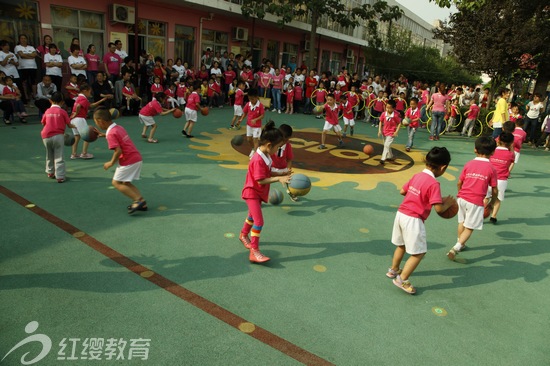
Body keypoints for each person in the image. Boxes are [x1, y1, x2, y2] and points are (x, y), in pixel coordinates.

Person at [387, 147, 455, 294]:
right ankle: (401, 279)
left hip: (401, 214)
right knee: (419, 253)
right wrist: (448, 204)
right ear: (443, 167)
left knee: (401, 245)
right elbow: (438, 209)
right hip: (413, 219)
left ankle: (393, 270)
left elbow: (402, 191)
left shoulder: (417, 175)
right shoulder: (434, 183)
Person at [238, 121, 291, 263]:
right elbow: (261, 179)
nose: (277, 151)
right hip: (252, 192)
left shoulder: (265, 155)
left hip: (258, 192)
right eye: (277, 147)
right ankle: (254, 251)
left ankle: (243, 234)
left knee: (251, 216)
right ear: (269, 145)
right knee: (259, 221)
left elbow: (269, 171)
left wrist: (283, 172)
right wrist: (279, 178)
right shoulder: (257, 159)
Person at [447, 136, 498, 260]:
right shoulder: (491, 168)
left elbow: (459, 182)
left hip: (462, 198)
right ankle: (457, 247)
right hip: (476, 201)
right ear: (493, 152)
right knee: (470, 227)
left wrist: (460, 194)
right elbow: (495, 189)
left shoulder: (469, 164)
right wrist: (492, 202)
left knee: (461, 222)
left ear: (475, 150)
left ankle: (460, 241)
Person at [93, 107, 147, 214]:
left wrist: (111, 163)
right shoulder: (118, 127)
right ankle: (142, 202)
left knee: (116, 183)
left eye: (96, 123)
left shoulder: (111, 133)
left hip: (129, 160)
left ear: (101, 122)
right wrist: (104, 135)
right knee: (125, 182)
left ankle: (137, 200)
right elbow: (118, 138)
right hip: (136, 157)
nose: (97, 125)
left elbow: (118, 151)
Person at [40, 91, 75, 183]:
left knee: (49, 154)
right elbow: (69, 124)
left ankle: (50, 172)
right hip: (58, 135)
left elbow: (43, 122)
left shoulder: (47, 111)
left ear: (50, 100)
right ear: (62, 102)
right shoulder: (62, 111)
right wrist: (75, 126)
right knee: (59, 156)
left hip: (46, 136)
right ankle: (60, 176)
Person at [69, 83, 108, 160]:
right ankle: (84, 153)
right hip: (80, 119)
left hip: (73, 120)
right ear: (84, 91)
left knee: (77, 136)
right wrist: (76, 113)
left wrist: (102, 100)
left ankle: (73, 154)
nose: (90, 93)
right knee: (88, 135)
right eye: (89, 92)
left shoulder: (79, 97)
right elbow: (79, 106)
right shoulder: (83, 98)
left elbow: (91, 106)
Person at [485, 132, 515, 224]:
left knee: (485, 197)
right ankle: (493, 216)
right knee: (497, 199)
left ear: (498, 140)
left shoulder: (492, 151)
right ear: (511, 143)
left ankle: (481, 214)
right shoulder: (510, 154)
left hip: (489, 178)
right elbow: (512, 162)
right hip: (501, 180)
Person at [270, 124, 298, 202]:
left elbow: (289, 159)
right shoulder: (271, 144)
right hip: (271, 168)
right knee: (264, 181)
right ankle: (259, 195)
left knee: (290, 180)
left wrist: (288, 170)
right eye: (282, 139)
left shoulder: (288, 146)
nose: (284, 142)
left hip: (283, 168)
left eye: (286, 140)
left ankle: (292, 192)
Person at [237, 88, 265, 158]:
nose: (251, 100)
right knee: (249, 139)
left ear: (256, 97)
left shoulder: (260, 105)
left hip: (257, 126)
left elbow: (262, 115)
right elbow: (245, 112)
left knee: (255, 140)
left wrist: (256, 119)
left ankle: (255, 155)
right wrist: (241, 119)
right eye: (249, 99)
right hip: (249, 125)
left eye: (252, 99)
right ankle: (253, 149)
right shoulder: (248, 104)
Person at [15, 34, 38, 104]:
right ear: (19, 40)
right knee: (24, 82)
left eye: (24, 38)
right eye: (22, 38)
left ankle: (34, 95)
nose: (23, 40)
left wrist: (26, 55)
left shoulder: (31, 47)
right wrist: (30, 56)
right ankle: (25, 96)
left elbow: (35, 55)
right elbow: (21, 55)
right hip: (23, 67)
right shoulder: (17, 47)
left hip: (33, 66)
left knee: (33, 82)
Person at [378, 99, 401, 165]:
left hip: (392, 132)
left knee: (386, 145)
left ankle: (383, 158)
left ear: (393, 108)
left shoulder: (396, 115)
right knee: (387, 145)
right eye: (386, 107)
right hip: (384, 132)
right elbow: (380, 121)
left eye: (389, 108)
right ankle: (390, 156)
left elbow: (399, 123)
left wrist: (396, 131)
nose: (387, 109)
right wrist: (379, 130)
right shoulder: (383, 114)